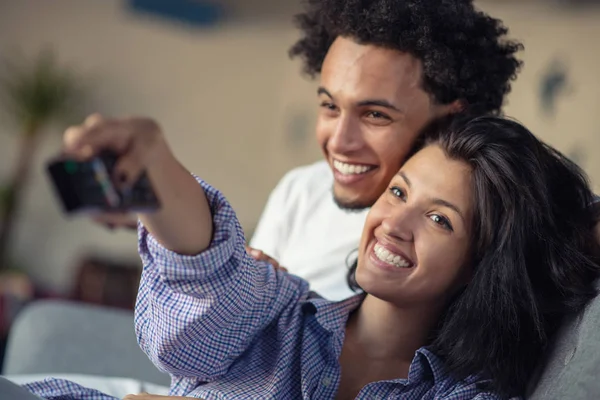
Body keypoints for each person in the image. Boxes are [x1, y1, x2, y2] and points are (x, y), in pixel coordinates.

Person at [21, 113, 600, 399]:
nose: (393, 223)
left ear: (482, 264)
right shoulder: (277, 312)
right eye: (398, 191)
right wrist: (153, 165)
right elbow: (204, 263)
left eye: (439, 219)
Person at [247, 0, 524, 300]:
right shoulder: (300, 191)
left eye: (375, 115)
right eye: (330, 106)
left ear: (451, 119)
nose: (339, 142)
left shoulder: (480, 229)